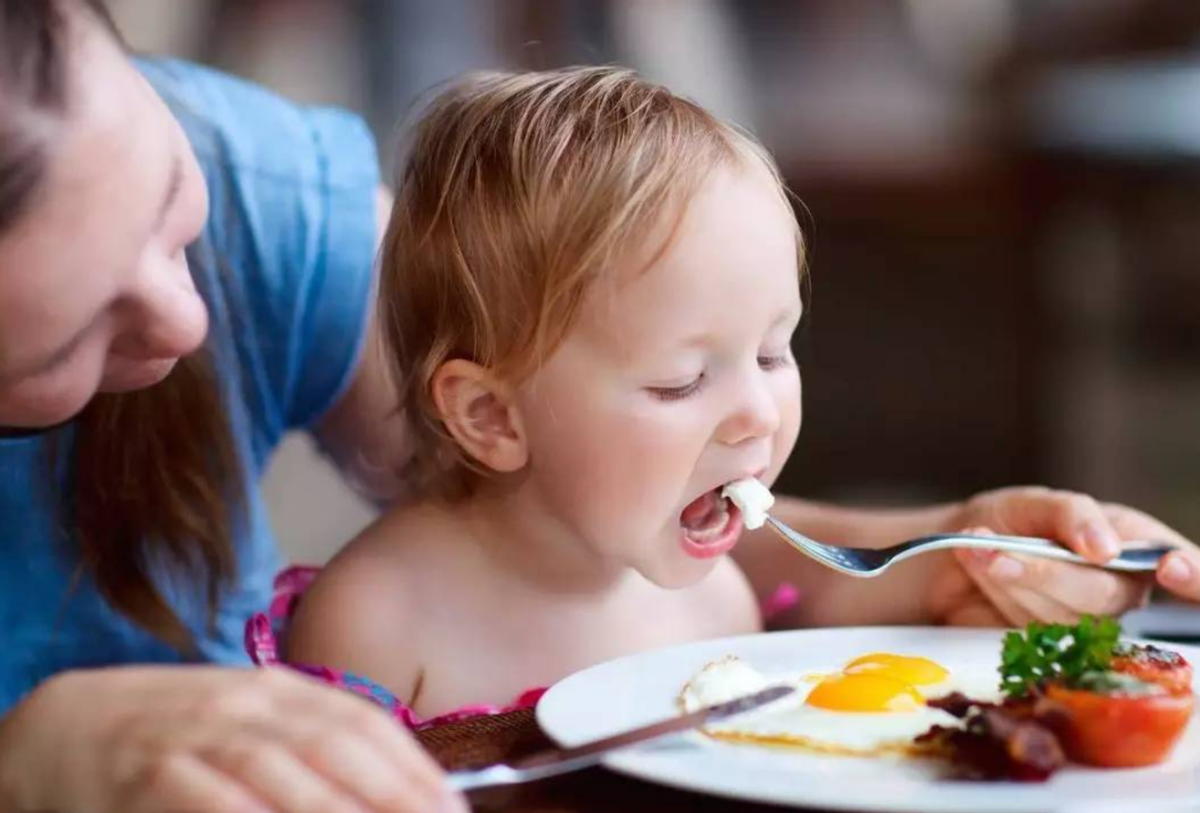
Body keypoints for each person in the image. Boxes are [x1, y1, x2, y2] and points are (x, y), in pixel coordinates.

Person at [1, 3, 1197, 811]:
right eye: (73, 332)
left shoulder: (695, 564)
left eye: (173, 207)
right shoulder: (378, 624)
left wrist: (951, 549)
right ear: (486, 416)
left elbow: (699, 554)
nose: (189, 325)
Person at [271, 67, 1197, 724]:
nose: (756, 412)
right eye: (682, 379)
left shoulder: (717, 590)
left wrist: (1008, 556)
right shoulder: (379, 624)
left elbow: (851, 603)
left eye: (772, 352)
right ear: (492, 416)